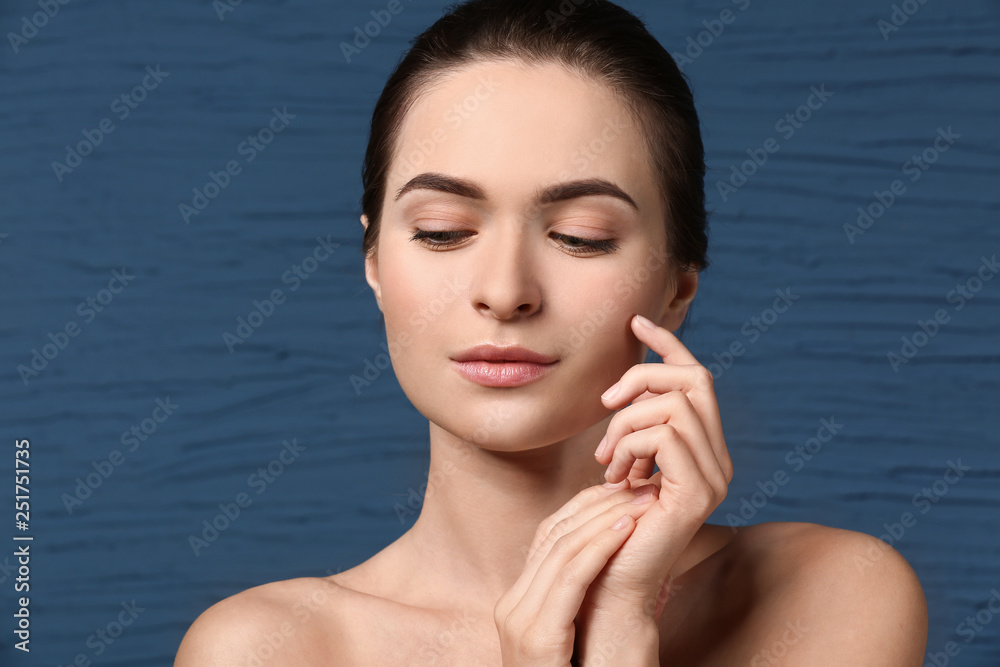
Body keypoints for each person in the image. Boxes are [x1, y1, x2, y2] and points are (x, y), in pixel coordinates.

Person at [175, 1, 928, 664]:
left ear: (678, 287)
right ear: (374, 260)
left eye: (580, 235)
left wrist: (625, 624)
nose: (505, 292)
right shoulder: (267, 650)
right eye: (441, 232)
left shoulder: (827, 595)